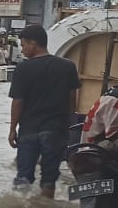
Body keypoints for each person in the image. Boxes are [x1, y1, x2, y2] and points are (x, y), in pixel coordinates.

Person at [8, 23, 80, 197]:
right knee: (49, 178)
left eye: (24, 45)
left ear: (33, 43)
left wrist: (12, 129)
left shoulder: (23, 68)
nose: (23, 50)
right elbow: (72, 98)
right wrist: (67, 121)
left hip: (29, 130)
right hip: (56, 130)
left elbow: (18, 102)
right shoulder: (67, 66)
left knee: (23, 177)